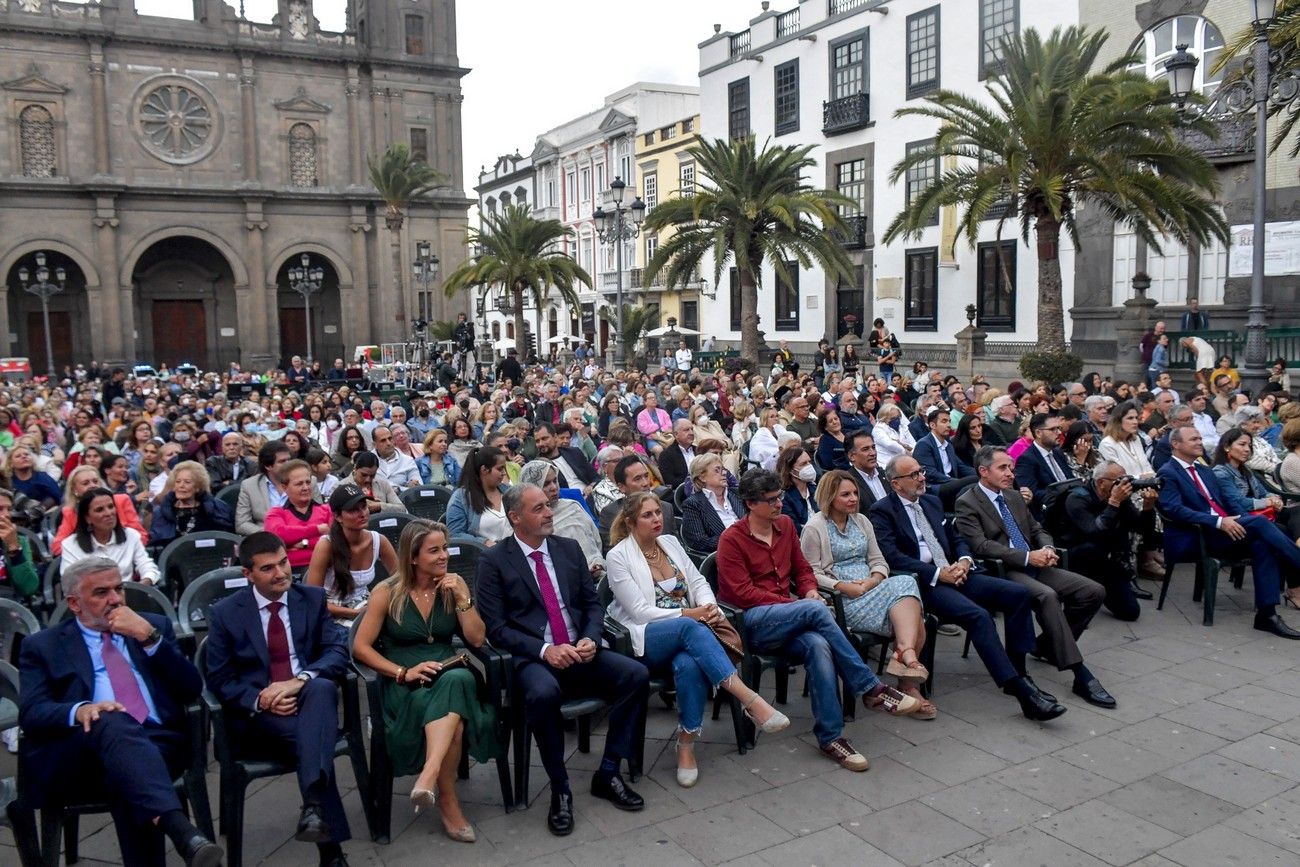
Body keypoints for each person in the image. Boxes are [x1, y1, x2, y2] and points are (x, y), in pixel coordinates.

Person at [18, 556, 223, 867]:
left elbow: (191, 688)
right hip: (82, 750)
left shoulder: (151, 626)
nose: (115, 600)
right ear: (74, 603)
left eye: (119, 589)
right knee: (111, 721)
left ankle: (180, 832)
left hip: (157, 741)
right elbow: (32, 712)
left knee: (126, 774)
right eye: (101, 593)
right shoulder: (43, 645)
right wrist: (81, 709)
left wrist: (149, 638)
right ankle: (181, 831)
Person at [717, 469, 921, 772]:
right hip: (753, 623)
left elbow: (802, 570)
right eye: (771, 500)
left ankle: (831, 737)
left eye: (781, 497)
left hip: (790, 616)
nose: (779, 505)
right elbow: (742, 593)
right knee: (815, 611)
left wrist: (810, 590)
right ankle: (870, 688)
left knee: (818, 644)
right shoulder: (732, 539)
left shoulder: (785, 526)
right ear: (750, 503)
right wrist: (798, 604)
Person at [476, 484, 650, 836]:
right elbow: (495, 628)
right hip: (534, 657)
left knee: (635, 675)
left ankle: (609, 771)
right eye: (538, 508)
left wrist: (588, 636)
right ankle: (560, 788)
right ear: (515, 518)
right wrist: (544, 651)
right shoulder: (494, 561)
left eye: (547, 506)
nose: (548, 512)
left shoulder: (568, 549)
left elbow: (591, 604)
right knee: (542, 696)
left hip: (579, 649)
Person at [605, 492, 789, 787]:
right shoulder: (618, 556)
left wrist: (709, 607)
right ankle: (750, 700)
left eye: (657, 512)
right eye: (647, 515)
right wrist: (691, 614)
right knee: (690, 629)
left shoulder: (671, 543)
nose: (657, 519)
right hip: (645, 638)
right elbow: (639, 613)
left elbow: (699, 581)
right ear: (630, 522)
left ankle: (686, 743)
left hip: (690, 633)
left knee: (689, 663)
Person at [868, 455, 1066, 721]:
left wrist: (963, 560)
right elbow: (893, 557)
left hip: (958, 572)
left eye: (921, 470)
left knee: (1018, 594)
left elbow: (957, 537)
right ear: (896, 484)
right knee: (978, 616)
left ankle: (1019, 671)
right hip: (926, 583)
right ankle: (1021, 692)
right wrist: (939, 573)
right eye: (913, 475)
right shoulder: (883, 511)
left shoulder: (931, 501)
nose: (922, 477)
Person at [204, 532, 354, 866]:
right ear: (248, 574)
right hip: (260, 719)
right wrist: (261, 699)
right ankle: (328, 845)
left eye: (283, 562)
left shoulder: (311, 599)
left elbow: (335, 651)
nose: (281, 573)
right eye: (268, 568)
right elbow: (219, 678)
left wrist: (297, 682)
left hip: (307, 701)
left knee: (321, 686)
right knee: (314, 737)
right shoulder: (226, 613)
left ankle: (319, 819)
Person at [349, 519, 495, 842]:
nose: (444, 556)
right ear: (413, 557)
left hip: (448, 670)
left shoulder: (453, 586)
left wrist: (462, 598)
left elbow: (476, 638)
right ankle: (447, 799)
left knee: (457, 679)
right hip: (405, 684)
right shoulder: (386, 593)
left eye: (444, 548)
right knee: (455, 718)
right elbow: (360, 647)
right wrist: (403, 672)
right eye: (434, 550)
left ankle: (429, 778)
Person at [954, 447, 1113, 707]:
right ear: (983, 472)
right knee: (1047, 596)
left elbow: (1038, 529)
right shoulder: (968, 502)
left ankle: (1048, 645)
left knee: (1092, 591)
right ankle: (1078, 672)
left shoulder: (1014, 496)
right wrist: (1027, 557)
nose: (1010, 473)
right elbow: (980, 545)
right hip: (1006, 571)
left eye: (1011, 467)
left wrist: (1047, 548)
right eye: (1003, 468)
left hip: (1037, 564)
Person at [801, 471, 935, 718]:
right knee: (915, 614)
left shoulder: (861, 521)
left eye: (854, 493)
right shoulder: (815, 527)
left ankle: (905, 656)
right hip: (843, 599)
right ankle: (908, 670)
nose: (853, 499)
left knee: (905, 584)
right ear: (830, 497)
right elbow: (809, 573)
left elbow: (878, 560)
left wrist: (874, 579)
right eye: (845, 494)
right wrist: (842, 585)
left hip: (872, 588)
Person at [305, 484, 399, 623]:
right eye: (353, 510)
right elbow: (313, 600)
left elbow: (401, 579)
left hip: (365, 605)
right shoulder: (326, 545)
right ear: (338, 517)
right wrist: (354, 613)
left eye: (364, 507)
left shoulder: (378, 540)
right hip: (331, 612)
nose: (362, 513)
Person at [1213, 427, 1299, 542]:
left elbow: (1263, 492)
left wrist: (1273, 498)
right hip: (1247, 518)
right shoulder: (1220, 473)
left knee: (1297, 511)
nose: (1247, 449)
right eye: (1242, 444)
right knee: (1284, 528)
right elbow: (1238, 502)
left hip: (1265, 512)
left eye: (1249, 445)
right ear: (1227, 447)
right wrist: (1268, 502)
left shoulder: (1245, 470)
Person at [519, 460, 605, 574]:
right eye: (546, 484)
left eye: (555, 481)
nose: (554, 487)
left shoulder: (572, 506)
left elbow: (596, 539)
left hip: (598, 570)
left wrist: (597, 563)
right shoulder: (524, 520)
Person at [62, 488, 161, 586]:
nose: (109, 513)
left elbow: (148, 567)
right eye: (99, 510)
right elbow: (70, 583)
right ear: (87, 518)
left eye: (111, 507)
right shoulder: (70, 545)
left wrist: (141, 586)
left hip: (127, 596)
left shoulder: (131, 536)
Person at [53, 465, 148, 556]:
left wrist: (119, 552)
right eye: (85, 483)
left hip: (124, 556)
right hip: (89, 562)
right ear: (74, 490)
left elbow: (141, 537)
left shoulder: (122, 500)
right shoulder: (70, 511)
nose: (92, 485)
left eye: (95, 481)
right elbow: (57, 547)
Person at [264, 460, 333, 571]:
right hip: (290, 573)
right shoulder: (276, 513)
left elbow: (335, 541)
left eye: (308, 482)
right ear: (284, 487)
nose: (306, 487)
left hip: (327, 568)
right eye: (299, 484)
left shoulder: (328, 510)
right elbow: (278, 536)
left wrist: (304, 543)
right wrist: (317, 529)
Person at [149, 460, 235, 546]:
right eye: (178, 481)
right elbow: (156, 545)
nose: (181, 485)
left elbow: (227, 540)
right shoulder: (160, 513)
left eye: (187, 482)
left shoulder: (217, 508)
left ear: (198, 487)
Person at [912, 406, 978, 511]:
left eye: (949, 421)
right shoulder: (924, 444)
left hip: (951, 484)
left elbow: (961, 466)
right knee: (973, 481)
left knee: (981, 478)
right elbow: (930, 474)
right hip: (936, 487)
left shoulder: (948, 444)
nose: (948, 425)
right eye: (944, 421)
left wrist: (981, 473)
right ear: (932, 425)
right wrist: (956, 481)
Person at [445, 445, 511, 546]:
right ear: (484, 470)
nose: (504, 473)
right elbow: (455, 534)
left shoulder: (509, 491)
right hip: (481, 556)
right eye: (500, 469)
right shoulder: (461, 498)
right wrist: (483, 542)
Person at [599, 455, 676, 541]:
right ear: (622, 487)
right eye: (637, 479)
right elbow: (611, 549)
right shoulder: (611, 513)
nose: (646, 483)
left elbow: (677, 546)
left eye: (646, 476)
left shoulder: (666, 507)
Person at [680, 453, 745, 554]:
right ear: (702, 477)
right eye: (717, 470)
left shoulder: (737, 493)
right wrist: (734, 538)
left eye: (723, 469)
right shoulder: (693, 504)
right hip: (725, 554)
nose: (724, 473)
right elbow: (699, 542)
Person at [1014, 413, 1072, 517]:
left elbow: (1070, 479)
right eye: (1053, 429)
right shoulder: (1026, 459)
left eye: (1059, 428)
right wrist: (1062, 495)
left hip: (1072, 504)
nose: (1059, 432)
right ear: (1038, 433)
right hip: (1053, 513)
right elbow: (1032, 494)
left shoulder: (1058, 452)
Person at [235, 439, 293, 536]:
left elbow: (319, 516)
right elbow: (242, 524)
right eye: (282, 461)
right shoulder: (249, 486)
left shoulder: (307, 482)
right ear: (268, 466)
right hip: (267, 541)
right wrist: (270, 533)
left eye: (289, 460)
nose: (288, 464)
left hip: (301, 538)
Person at [0, 487, 39, 599]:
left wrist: (14, 548)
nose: (6, 514)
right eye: (0, 509)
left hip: (9, 607)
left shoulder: (19, 541)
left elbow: (29, 588)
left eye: (9, 509)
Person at [340, 450, 405, 513]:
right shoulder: (341, 486)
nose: (368, 479)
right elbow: (337, 513)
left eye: (372, 475)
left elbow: (401, 509)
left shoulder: (383, 484)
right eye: (363, 475)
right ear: (355, 468)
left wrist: (380, 506)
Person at [777, 445, 819, 533]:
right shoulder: (784, 497)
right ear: (790, 469)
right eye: (803, 464)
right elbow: (794, 528)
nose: (809, 466)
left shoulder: (815, 489)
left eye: (809, 462)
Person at [6, 443, 61, 507]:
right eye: (18, 456)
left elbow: (57, 497)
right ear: (11, 463)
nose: (24, 457)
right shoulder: (7, 482)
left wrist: (41, 508)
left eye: (26, 454)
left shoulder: (43, 478)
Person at [657, 419, 696, 491]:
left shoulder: (698, 450)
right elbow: (670, 481)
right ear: (676, 434)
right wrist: (695, 484)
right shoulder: (666, 455)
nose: (691, 433)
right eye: (686, 430)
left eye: (692, 429)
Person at [747, 407, 785, 472]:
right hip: (762, 469)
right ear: (765, 419)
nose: (776, 419)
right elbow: (767, 455)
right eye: (772, 417)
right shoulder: (761, 435)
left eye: (777, 416)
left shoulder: (778, 430)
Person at [815, 405, 850, 471]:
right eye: (830, 421)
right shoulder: (825, 441)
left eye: (836, 419)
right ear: (825, 427)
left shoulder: (848, 433)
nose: (834, 422)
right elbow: (828, 464)